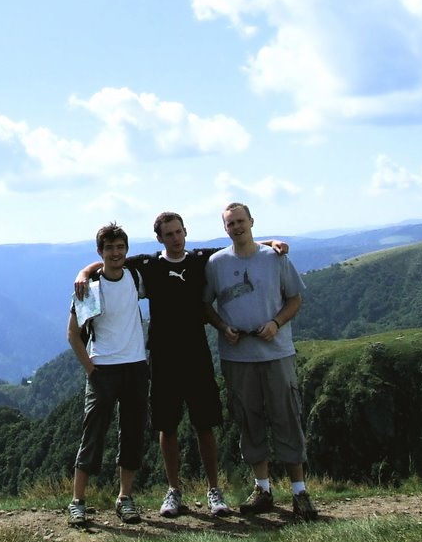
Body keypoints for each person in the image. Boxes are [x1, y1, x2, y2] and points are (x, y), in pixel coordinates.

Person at [74, 212, 287, 519]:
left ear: (186, 232)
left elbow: (237, 248)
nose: (175, 238)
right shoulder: (148, 266)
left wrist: (271, 242)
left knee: (205, 423)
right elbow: (109, 264)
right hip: (162, 356)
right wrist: (83, 273)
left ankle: (214, 491)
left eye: (178, 232)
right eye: (168, 234)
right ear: (159, 238)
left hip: (196, 355)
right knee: (166, 425)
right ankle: (174, 491)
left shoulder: (202, 260)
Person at [202, 202, 318, 521]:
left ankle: (299, 492)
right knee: (247, 418)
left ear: (252, 222)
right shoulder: (215, 263)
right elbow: (205, 305)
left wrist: (276, 323)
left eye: (241, 221)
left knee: (286, 416)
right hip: (237, 356)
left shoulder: (275, 258)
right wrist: (223, 327)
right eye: (230, 223)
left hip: (276, 351)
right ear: (224, 228)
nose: (237, 227)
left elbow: (295, 298)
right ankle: (262, 489)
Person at [66, 222, 150, 526]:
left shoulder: (137, 276)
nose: (115, 253)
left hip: (136, 367)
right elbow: (73, 335)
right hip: (103, 370)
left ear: (126, 250)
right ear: (100, 252)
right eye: (109, 248)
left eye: (120, 247)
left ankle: (125, 498)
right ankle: (77, 501)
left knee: (132, 433)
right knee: (93, 434)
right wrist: (91, 370)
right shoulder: (89, 289)